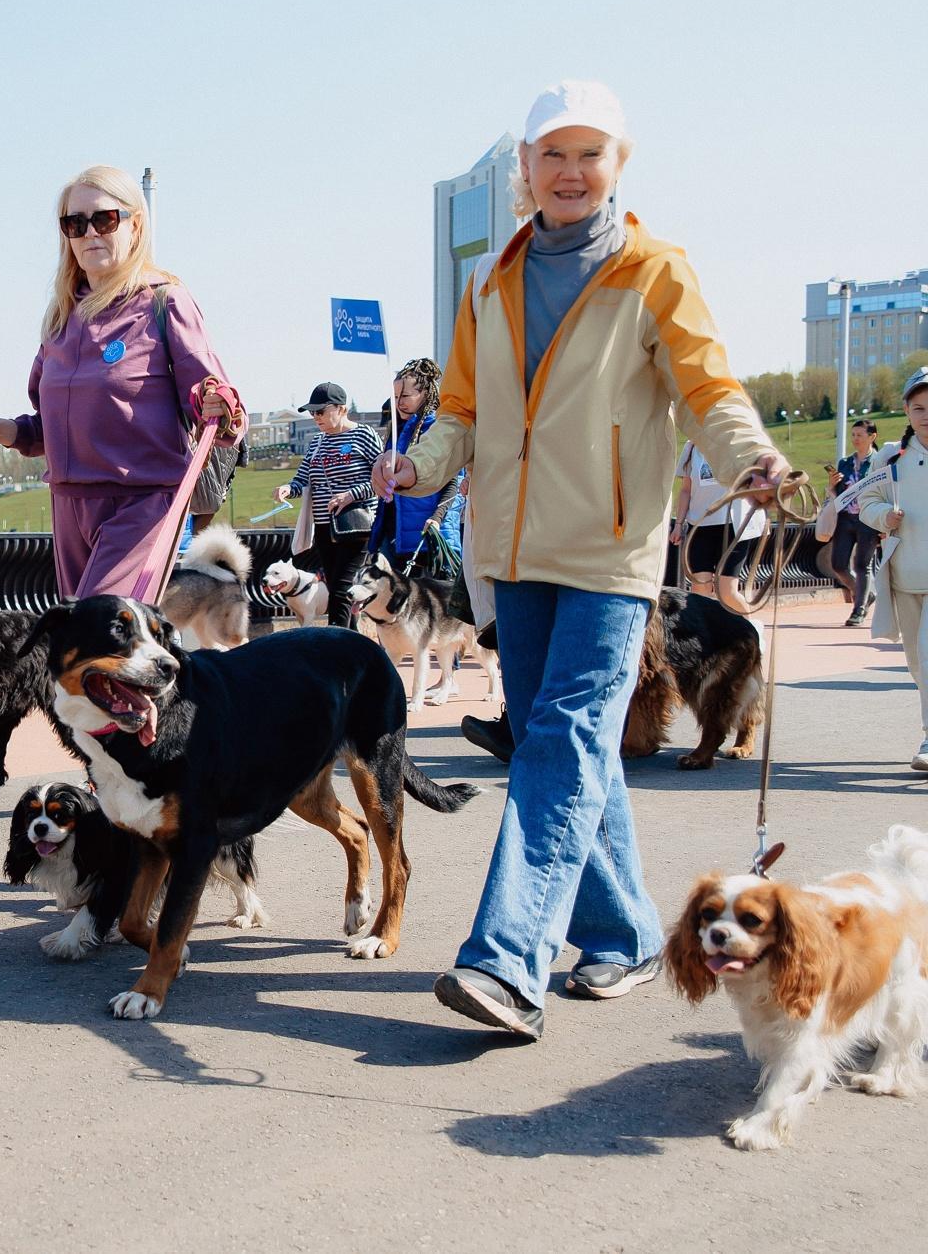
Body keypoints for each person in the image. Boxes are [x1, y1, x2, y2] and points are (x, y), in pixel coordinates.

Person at [373, 80, 786, 1039]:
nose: (569, 171)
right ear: (524, 170)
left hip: (608, 552)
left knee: (557, 738)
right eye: (551, 154)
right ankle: (630, 934)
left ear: (618, 166)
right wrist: (417, 463)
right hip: (511, 554)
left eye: (589, 153)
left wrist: (751, 459)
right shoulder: (490, 281)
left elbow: (707, 387)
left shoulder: (655, 270)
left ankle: (507, 964)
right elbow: (463, 414)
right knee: (573, 744)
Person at [0, 164, 243, 598]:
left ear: (134, 224)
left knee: (99, 636)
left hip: (142, 505)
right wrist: (3, 431)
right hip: (69, 506)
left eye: (104, 219)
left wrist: (220, 404)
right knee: (95, 650)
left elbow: (219, 415)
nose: (89, 233)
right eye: (74, 223)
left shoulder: (165, 302)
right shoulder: (61, 317)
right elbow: (49, 428)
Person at [849, 368, 928, 769]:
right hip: (905, 576)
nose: (926, 415)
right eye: (919, 408)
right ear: (906, 410)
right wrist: (885, 517)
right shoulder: (892, 456)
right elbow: (867, 502)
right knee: (916, 662)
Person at [273, 383, 380, 627]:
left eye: (321, 411)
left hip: (356, 526)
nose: (315, 417)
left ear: (341, 409)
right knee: (337, 588)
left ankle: (335, 649)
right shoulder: (317, 441)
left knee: (342, 589)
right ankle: (353, 646)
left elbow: (384, 479)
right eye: (312, 412)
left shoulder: (364, 435)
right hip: (324, 527)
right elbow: (303, 478)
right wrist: (289, 489)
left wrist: (350, 495)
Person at [669, 440, 766, 613]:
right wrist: (678, 523)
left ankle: (752, 633)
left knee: (727, 592)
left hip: (734, 525)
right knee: (700, 592)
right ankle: (705, 638)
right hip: (700, 525)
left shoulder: (735, 442)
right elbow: (685, 490)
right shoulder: (691, 448)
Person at [377, 359, 448, 571]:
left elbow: (453, 481)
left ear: (426, 393)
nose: (399, 403)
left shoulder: (439, 428)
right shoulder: (397, 432)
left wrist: (437, 518)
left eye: (405, 396)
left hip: (430, 537)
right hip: (396, 537)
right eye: (395, 397)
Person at [827, 418, 882, 627]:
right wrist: (833, 485)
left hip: (868, 519)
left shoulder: (879, 462)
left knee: (862, 565)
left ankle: (858, 610)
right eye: (853, 435)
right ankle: (865, 593)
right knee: (838, 565)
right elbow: (838, 492)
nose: (855, 439)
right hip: (846, 519)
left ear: (872, 437)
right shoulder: (845, 462)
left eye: (860, 435)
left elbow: (885, 490)